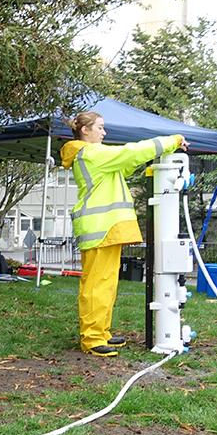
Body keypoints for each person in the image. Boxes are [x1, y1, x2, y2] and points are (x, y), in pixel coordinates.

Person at [60, 111, 186, 357]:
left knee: (106, 285)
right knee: (98, 286)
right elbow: (130, 153)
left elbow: (126, 163)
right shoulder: (92, 153)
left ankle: (101, 333)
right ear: (85, 130)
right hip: (101, 229)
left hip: (105, 229)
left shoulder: (94, 156)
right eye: (100, 127)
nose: (104, 133)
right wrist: (172, 140)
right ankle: (93, 338)